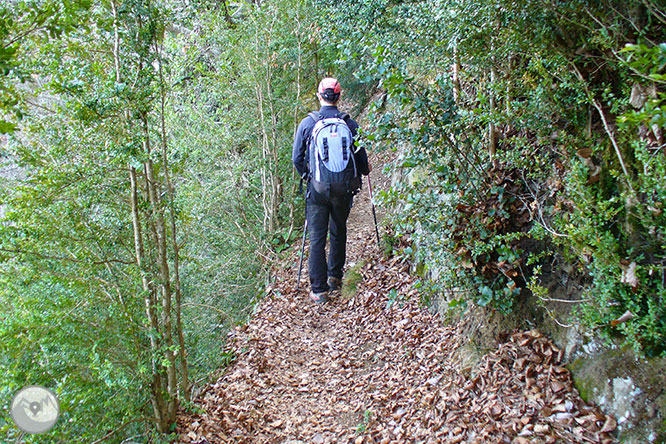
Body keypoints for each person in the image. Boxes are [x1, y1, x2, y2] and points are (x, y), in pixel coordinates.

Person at [292, 77, 371, 304]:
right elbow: (361, 158)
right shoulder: (350, 124)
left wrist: (308, 176)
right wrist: (364, 171)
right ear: (339, 96)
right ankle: (335, 277)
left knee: (317, 237)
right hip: (343, 188)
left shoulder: (308, 124)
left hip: (317, 189)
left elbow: (297, 158)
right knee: (338, 229)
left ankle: (319, 290)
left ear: (319, 96)